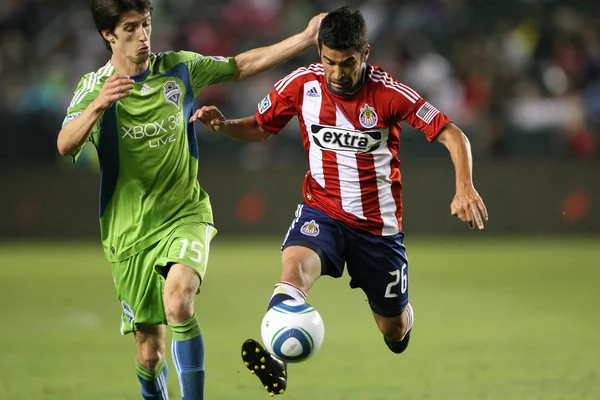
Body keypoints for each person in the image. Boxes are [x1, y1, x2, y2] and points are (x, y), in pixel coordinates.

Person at [191, 5, 489, 397]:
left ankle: (401, 319)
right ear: (320, 53)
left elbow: (453, 134)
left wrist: (464, 186)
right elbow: (260, 128)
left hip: (377, 231)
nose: (337, 72)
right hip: (322, 212)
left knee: (394, 331)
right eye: (329, 61)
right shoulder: (301, 85)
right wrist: (224, 126)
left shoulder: (388, 93)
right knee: (293, 272)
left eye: (346, 62)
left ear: (365, 53)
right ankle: (276, 359)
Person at [56, 0, 325, 399]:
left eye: (146, 24)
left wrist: (305, 37)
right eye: (130, 28)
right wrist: (98, 105)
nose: (143, 36)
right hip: (128, 232)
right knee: (150, 354)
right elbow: (64, 144)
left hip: (185, 213)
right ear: (108, 35)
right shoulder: (94, 88)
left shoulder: (179, 68)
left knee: (179, 298)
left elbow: (242, 65)